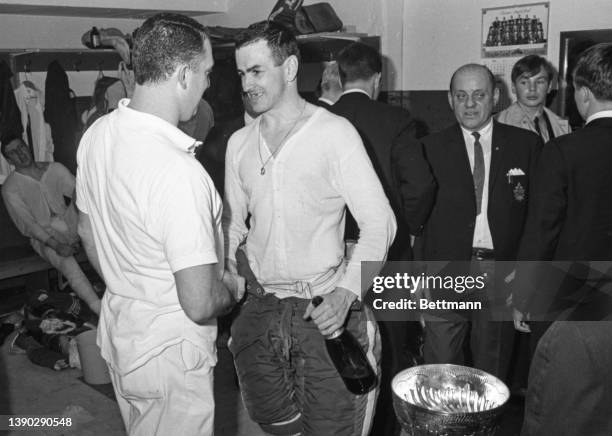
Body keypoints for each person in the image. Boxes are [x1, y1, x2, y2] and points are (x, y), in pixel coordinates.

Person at [223, 21, 396, 435]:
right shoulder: (239, 144)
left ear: (289, 68)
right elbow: (230, 224)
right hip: (261, 312)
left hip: (324, 311)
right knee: (278, 427)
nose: (247, 83)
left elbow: (380, 223)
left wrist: (347, 291)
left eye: (257, 71)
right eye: (241, 73)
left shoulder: (334, 133)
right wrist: (228, 269)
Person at [75, 13, 242, 435]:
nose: (207, 83)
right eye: (205, 73)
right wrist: (233, 288)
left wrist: (131, 281)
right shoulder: (178, 173)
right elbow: (200, 302)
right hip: (169, 355)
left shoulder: (98, 135)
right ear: (184, 74)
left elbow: (86, 232)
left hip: (123, 335)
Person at [330, 41, 435, 436]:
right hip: (388, 254)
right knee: (389, 343)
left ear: (340, 77)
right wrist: (408, 230)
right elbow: (421, 186)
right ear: (377, 79)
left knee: (339, 342)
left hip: (333, 255)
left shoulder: (319, 119)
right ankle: (386, 428)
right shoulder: (397, 121)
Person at [417, 64, 541, 380]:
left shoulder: (525, 146)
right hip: (444, 275)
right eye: (461, 96)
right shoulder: (429, 149)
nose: (470, 104)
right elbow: (420, 223)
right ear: (450, 99)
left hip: (502, 276)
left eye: (479, 95)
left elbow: (536, 221)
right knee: (440, 374)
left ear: (496, 97)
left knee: (491, 377)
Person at [513, 43, 612, 436]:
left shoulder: (564, 150)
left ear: (582, 93)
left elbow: (542, 230)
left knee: (557, 411)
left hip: (572, 307)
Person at [1, 137, 101, 315]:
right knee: (67, 261)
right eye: (12, 153)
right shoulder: (10, 187)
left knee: (83, 188)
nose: (20, 154)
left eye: (21, 147)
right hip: (44, 237)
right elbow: (29, 225)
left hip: (70, 222)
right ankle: (98, 308)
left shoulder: (54, 168)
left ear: (27, 146)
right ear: (9, 161)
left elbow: (81, 193)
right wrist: (57, 245)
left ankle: (120, 289)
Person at [497, 55, 570, 142]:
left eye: (540, 82)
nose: (532, 88)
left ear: (549, 86)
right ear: (513, 87)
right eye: (524, 82)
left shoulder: (563, 127)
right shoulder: (498, 123)